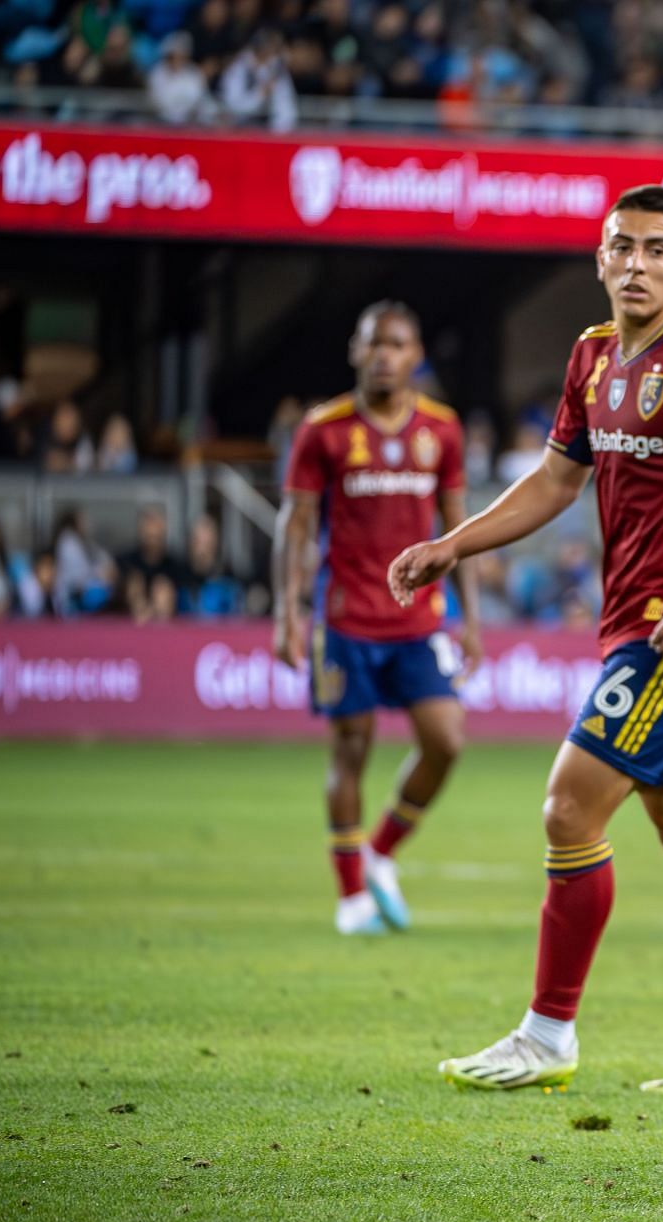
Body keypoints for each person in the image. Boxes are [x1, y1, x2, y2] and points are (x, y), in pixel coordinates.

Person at [391, 185, 663, 1094]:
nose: (637, 265)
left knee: (569, 808)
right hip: (630, 622)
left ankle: (547, 1035)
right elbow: (552, 481)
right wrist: (450, 546)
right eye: (622, 247)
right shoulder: (590, 357)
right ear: (600, 260)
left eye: (660, 250)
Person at [274, 301, 481, 937]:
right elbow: (297, 523)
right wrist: (287, 611)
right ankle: (350, 898)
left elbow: (458, 526)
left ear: (416, 356)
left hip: (419, 619)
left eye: (396, 344)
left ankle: (381, 851)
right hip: (346, 620)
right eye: (373, 344)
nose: (384, 355)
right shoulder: (324, 429)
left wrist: (471, 616)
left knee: (446, 740)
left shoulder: (442, 430)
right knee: (351, 751)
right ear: (355, 353)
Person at [117, 505, 194, 623]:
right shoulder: (126, 562)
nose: (152, 540)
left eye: (156, 536)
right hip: (129, 623)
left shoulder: (176, 566)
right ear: (141, 532)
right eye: (149, 535)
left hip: (166, 624)